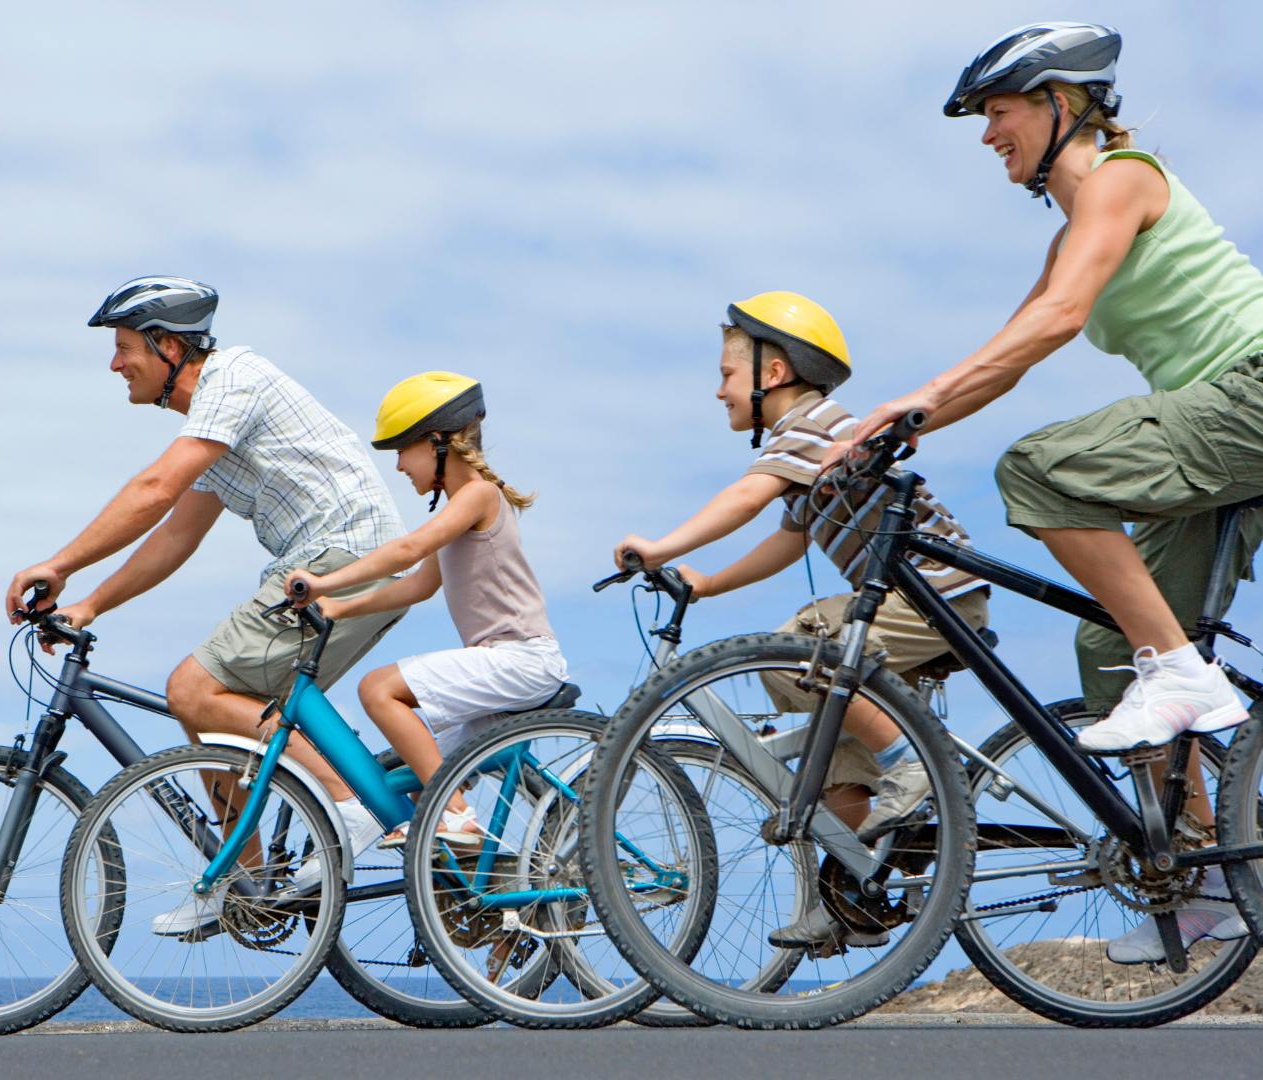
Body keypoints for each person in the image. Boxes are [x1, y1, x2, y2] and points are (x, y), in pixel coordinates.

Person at [845, 22, 1261, 961]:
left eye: (999, 111)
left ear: (1059, 103)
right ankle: (1210, 884)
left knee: (1037, 469)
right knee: (1110, 640)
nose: (989, 133)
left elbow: (1064, 316)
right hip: (1225, 415)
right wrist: (902, 423)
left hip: (1254, 389)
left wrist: (922, 403)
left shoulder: (1123, 178)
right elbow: (1018, 346)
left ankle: (1187, 676)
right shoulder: (1077, 229)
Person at [3, 276, 408, 935]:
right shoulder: (214, 426)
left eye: (124, 346)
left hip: (340, 560)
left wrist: (59, 563)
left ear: (168, 348)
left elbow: (157, 487)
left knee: (194, 687)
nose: (113, 364)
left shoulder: (234, 379)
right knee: (214, 714)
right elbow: (177, 535)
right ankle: (245, 883)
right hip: (340, 569)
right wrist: (91, 604)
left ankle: (349, 805)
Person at [614, 291, 991, 952]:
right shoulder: (808, 446)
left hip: (934, 598)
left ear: (775, 374)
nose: (718, 391)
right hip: (908, 603)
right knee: (838, 752)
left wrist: (664, 546)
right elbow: (789, 540)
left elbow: (744, 496)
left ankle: (914, 769)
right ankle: (847, 894)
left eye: (727, 375)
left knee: (803, 646)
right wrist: (709, 583)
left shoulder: (815, 427)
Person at [286, 372, 568, 847]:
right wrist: (337, 606)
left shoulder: (477, 495)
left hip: (519, 660)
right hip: (504, 664)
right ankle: (473, 883)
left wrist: (322, 582)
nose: (398, 465)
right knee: (416, 784)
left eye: (402, 449)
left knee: (378, 689)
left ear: (437, 443)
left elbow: (408, 551)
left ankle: (455, 813)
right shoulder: (461, 507)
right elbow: (417, 586)